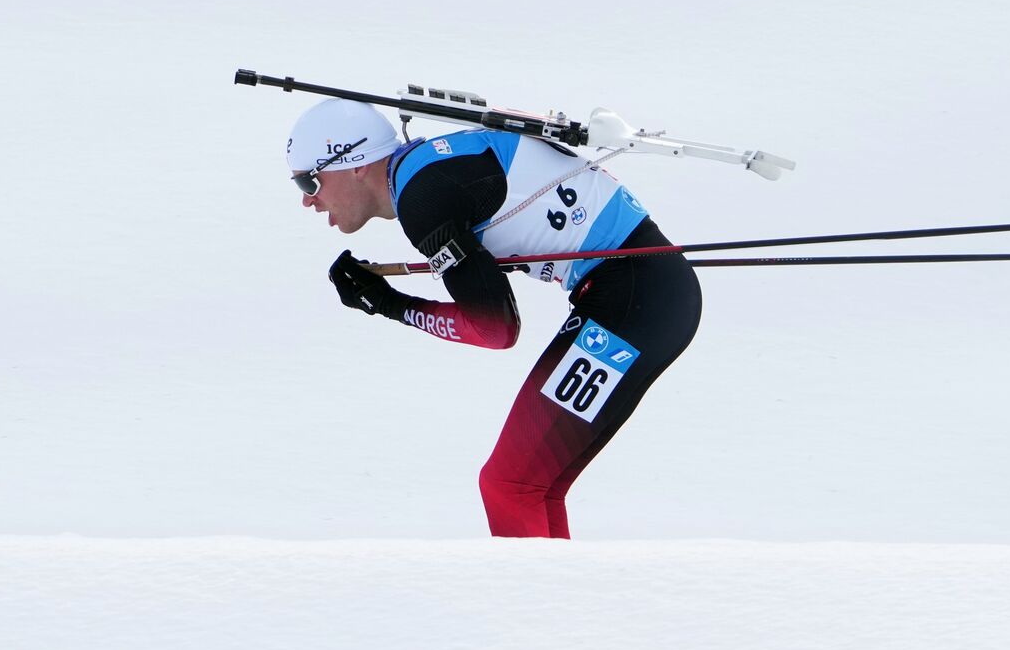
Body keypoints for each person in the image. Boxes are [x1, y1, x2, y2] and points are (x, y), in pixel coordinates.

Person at [286, 98, 701, 538]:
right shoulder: (431, 169)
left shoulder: (422, 197)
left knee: (510, 485)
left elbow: (495, 330)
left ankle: (531, 604)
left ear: (354, 163)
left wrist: (389, 304)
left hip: (633, 300)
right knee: (530, 487)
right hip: (644, 292)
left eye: (308, 181)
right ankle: (560, 599)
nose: (308, 201)